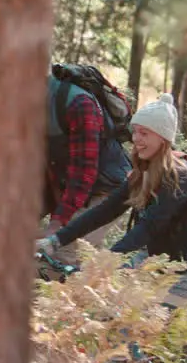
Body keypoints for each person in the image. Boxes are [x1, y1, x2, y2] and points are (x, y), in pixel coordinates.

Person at [36, 93, 187, 308]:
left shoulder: (179, 176)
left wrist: (108, 260)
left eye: (144, 133)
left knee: (128, 330)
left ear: (163, 138)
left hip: (186, 274)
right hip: (152, 263)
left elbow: (149, 226)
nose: (136, 139)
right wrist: (55, 241)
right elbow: (104, 211)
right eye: (135, 132)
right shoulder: (142, 172)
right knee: (104, 307)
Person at [42, 71, 133, 262]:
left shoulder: (78, 104)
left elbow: (84, 173)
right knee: (86, 265)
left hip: (108, 190)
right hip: (72, 191)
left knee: (61, 253)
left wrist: (57, 223)